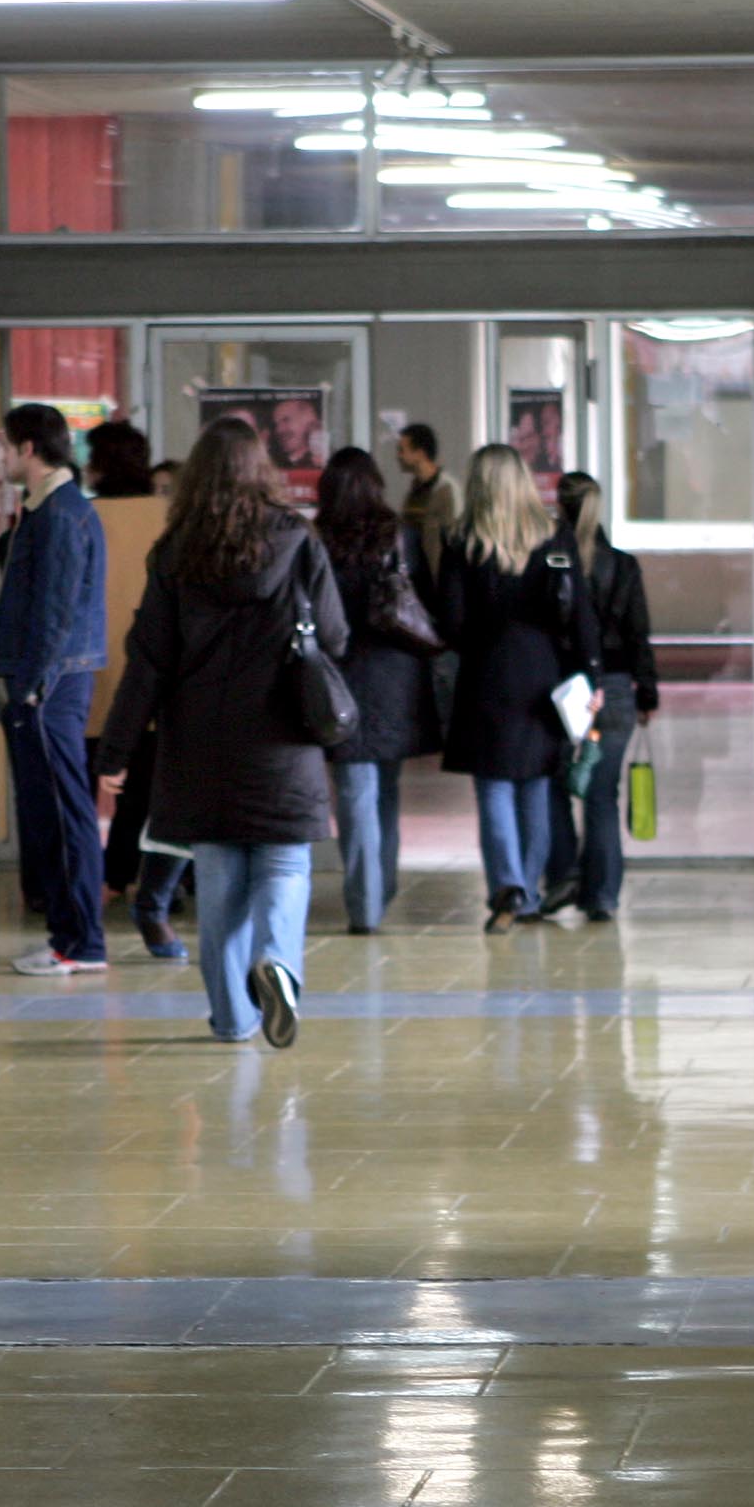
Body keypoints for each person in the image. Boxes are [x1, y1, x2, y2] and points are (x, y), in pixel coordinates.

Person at [96, 418, 348, 1046]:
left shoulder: (176, 552)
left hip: (200, 746)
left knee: (219, 889)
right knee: (285, 867)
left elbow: (147, 659)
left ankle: (233, 1019)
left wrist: (118, 749)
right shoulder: (298, 540)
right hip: (283, 740)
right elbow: (337, 636)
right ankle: (278, 962)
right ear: (261, 469)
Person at [439, 443, 601, 934]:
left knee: (492, 787)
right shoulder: (555, 538)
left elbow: (451, 621)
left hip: (486, 677)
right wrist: (590, 676)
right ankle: (528, 891)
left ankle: (506, 885)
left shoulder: (462, 542)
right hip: (544, 677)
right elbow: (581, 615)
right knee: (535, 785)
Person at [0, 402, 109, 976]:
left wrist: (32, 683)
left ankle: (80, 941)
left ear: (28, 449)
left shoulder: (60, 514)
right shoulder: (48, 509)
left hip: (50, 682)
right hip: (47, 678)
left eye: (4, 446)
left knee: (62, 811)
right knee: (49, 811)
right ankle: (67, 935)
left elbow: (54, 611)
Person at [314, 447, 440, 935]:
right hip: (396, 675)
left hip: (338, 675)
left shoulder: (317, 541)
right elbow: (424, 602)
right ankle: (379, 889)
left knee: (355, 792)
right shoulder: (401, 538)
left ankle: (365, 902)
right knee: (385, 790)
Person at [85, 419, 188, 961]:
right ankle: (135, 880)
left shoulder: (81, 516)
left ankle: (87, 885)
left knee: (85, 789)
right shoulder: (168, 516)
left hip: (89, 671)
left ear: (95, 465)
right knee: (146, 794)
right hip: (153, 672)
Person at [540, 472, 656, 923]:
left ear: (558, 507)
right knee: (601, 794)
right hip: (614, 688)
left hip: (561, 690)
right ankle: (602, 896)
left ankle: (564, 873)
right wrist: (646, 691)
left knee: (552, 784)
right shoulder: (622, 566)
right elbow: (637, 633)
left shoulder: (551, 563)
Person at [395, 422, 463, 579]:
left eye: (402, 450)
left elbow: (453, 539)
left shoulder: (446, 489)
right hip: (419, 579)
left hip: (437, 580)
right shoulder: (415, 489)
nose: (398, 456)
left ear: (419, 453)